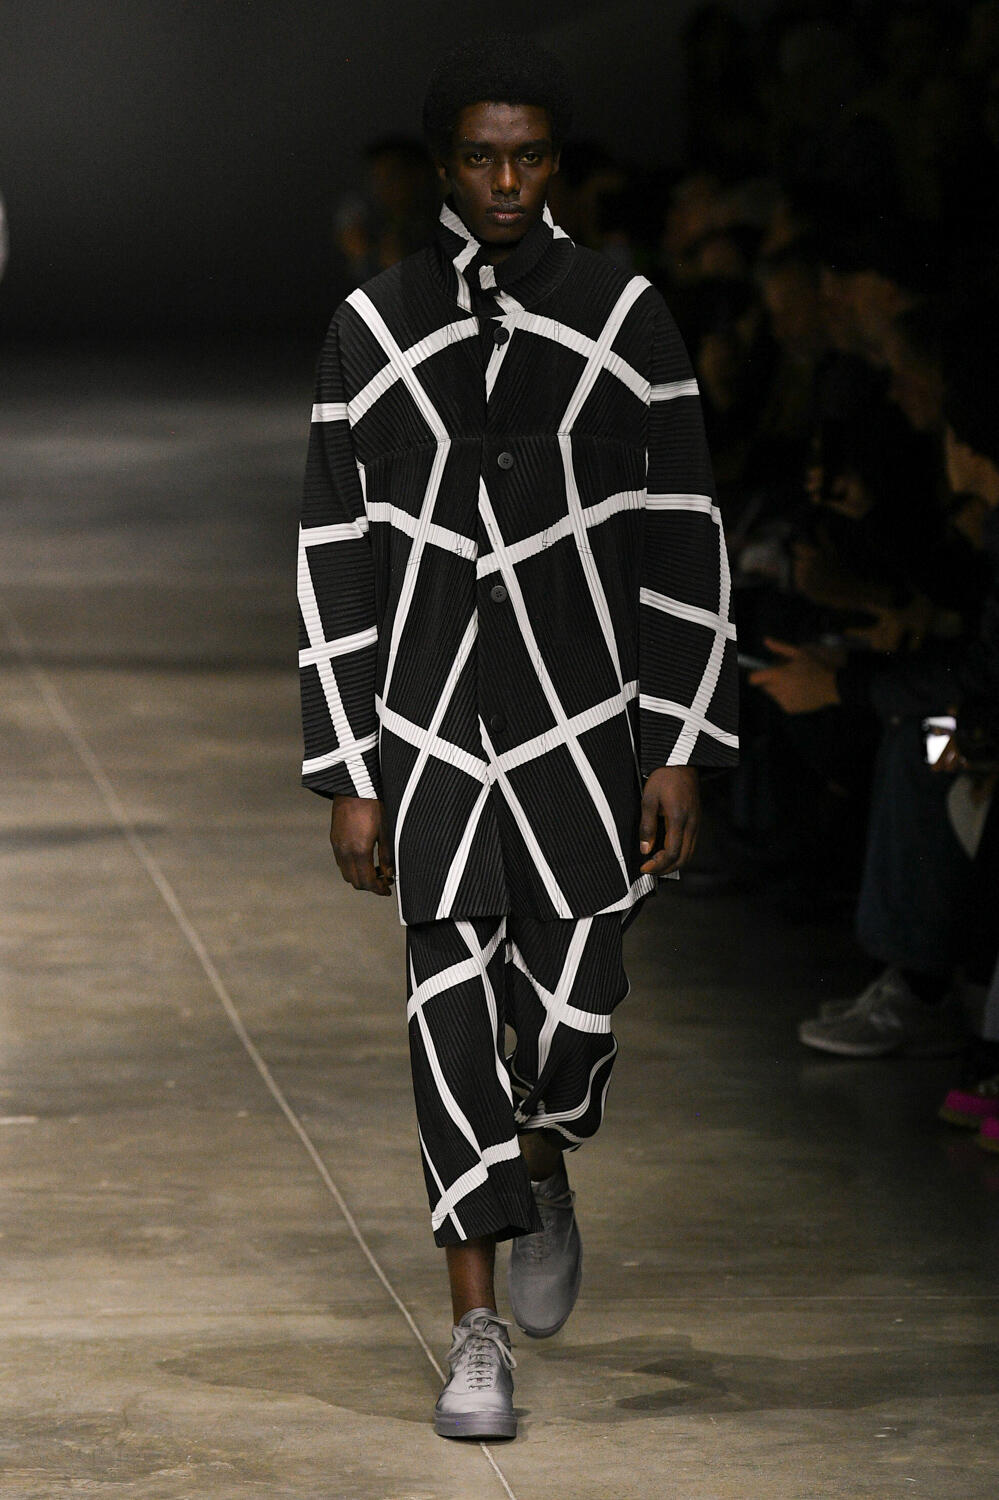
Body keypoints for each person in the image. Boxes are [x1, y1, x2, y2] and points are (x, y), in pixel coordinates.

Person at [297, 34, 738, 1440]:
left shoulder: (626, 319)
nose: (505, 181)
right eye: (482, 158)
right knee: (448, 1023)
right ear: (445, 164)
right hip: (431, 733)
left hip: (586, 729)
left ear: (556, 162)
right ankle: (473, 1334)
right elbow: (334, 552)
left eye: (529, 155)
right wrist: (349, 766)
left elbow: (683, 535)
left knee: (570, 1012)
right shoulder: (374, 330)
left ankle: (541, 1156)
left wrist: (678, 740)